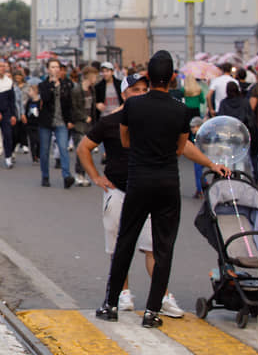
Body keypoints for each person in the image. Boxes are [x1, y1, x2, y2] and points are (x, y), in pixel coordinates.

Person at [95, 51, 231, 328]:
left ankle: (110, 304)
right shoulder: (181, 109)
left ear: (149, 75)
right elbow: (182, 147)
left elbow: (125, 140)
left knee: (126, 241)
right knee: (163, 247)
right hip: (167, 183)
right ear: (171, 78)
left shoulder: (133, 107)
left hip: (139, 181)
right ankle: (152, 311)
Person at [78, 73, 187, 319]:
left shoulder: (152, 119)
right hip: (118, 191)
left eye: (143, 89)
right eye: (135, 89)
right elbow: (84, 147)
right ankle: (123, 294)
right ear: (124, 94)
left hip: (148, 191)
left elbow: (184, 145)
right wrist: (96, 177)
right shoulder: (111, 121)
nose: (139, 93)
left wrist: (211, 164)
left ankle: (163, 297)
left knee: (153, 248)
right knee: (119, 247)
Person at [38, 59, 74, 188]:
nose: (55, 69)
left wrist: (70, 120)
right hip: (46, 121)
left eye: (57, 67)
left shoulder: (66, 85)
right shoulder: (43, 85)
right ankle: (45, 176)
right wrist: (52, 85)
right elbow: (46, 99)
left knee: (63, 148)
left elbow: (69, 104)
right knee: (44, 151)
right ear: (48, 69)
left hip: (61, 121)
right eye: (52, 67)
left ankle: (66, 176)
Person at [70, 66, 98, 186]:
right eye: (95, 76)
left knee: (88, 151)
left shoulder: (92, 89)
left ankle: (83, 175)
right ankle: (79, 174)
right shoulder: (76, 90)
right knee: (81, 150)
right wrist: (84, 117)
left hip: (89, 124)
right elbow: (74, 108)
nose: (96, 79)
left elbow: (92, 106)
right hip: (80, 124)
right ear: (90, 76)